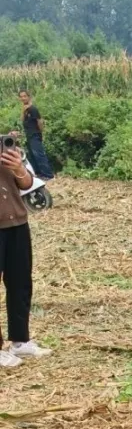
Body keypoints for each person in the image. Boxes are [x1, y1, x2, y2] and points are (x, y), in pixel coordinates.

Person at [0, 141, 51, 367]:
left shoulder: (10, 149)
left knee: (21, 283)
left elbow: (28, 184)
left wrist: (19, 169)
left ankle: (20, 340)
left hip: (17, 223)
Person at [18, 91, 54, 181]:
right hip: (29, 135)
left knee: (39, 154)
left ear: (29, 97)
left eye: (25, 96)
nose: (23, 98)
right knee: (32, 155)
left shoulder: (33, 109)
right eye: (21, 97)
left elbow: (39, 121)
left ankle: (48, 175)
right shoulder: (25, 109)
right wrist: (22, 111)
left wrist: (40, 132)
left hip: (34, 135)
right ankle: (38, 173)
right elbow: (22, 120)